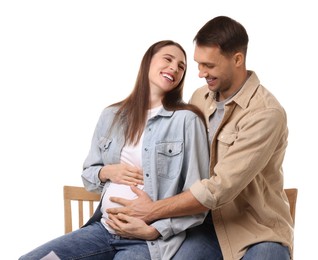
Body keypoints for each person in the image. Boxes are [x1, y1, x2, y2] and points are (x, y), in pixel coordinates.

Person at [106, 16, 294, 260]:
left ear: (237, 59)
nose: (200, 73)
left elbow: (219, 189)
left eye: (209, 66)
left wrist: (151, 211)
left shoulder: (266, 113)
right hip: (203, 227)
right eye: (198, 64)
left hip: (256, 230)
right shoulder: (200, 97)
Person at [19, 40, 211, 260]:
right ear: (148, 61)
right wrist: (107, 172)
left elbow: (197, 196)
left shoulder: (187, 120)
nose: (174, 69)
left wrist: (155, 229)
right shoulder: (112, 116)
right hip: (102, 230)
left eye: (181, 67)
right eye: (168, 59)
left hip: (148, 241)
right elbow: (89, 175)